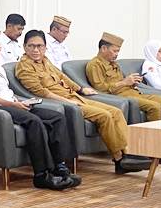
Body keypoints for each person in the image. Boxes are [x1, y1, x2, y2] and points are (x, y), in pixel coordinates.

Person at [15, 30, 150, 174]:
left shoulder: (45, 61)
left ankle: (129, 153)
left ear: (45, 47)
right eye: (32, 46)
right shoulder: (24, 67)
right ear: (24, 47)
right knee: (104, 116)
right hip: (62, 102)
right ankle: (119, 160)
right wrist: (68, 101)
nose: (36, 50)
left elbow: (62, 76)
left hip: (75, 96)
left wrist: (80, 89)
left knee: (116, 112)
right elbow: (42, 92)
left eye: (40, 46)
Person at [0, 32, 79, 190]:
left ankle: (59, 167)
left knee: (56, 117)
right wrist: (12, 105)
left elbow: (5, 91)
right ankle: (41, 175)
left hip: (11, 104)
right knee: (34, 122)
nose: (0, 49)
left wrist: (19, 102)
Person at [86, 32, 161, 121]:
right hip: (120, 97)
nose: (117, 54)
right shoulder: (95, 65)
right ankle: (154, 140)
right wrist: (124, 82)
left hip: (136, 93)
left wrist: (132, 82)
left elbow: (124, 82)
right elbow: (100, 90)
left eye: (118, 51)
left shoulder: (114, 63)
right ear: (103, 48)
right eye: (114, 51)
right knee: (154, 107)